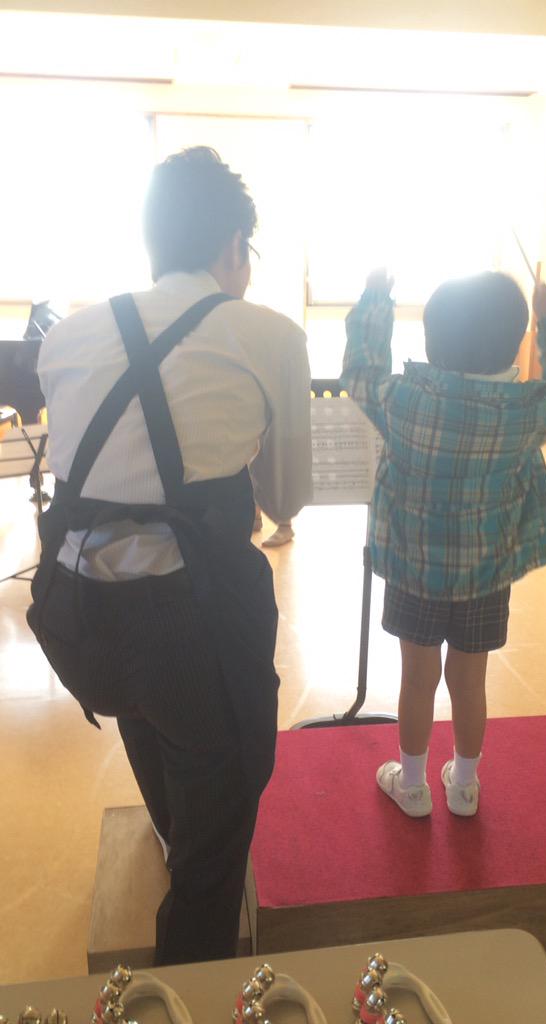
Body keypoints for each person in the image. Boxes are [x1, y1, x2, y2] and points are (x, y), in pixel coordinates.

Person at [27, 146, 312, 963]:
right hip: (188, 628)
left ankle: (174, 825)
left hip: (74, 620)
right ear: (235, 246)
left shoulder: (67, 335)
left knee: (147, 710)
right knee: (226, 795)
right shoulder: (270, 336)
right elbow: (286, 498)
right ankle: (190, 967)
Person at [341, 270, 546, 817]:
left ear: (432, 339)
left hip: (415, 568)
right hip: (485, 574)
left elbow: (360, 372)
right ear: (513, 340)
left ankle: (413, 785)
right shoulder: (525, 410)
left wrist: (375, 299)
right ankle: (465, 786)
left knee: (417, 676)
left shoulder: (404, 400)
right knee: (471, 680)